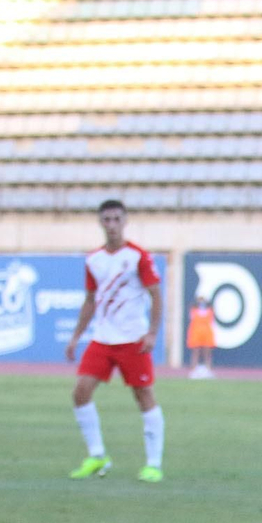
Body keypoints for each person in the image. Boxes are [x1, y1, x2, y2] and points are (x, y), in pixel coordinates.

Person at [65, 199, 166, 483]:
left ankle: (153, 464)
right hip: (103, 338)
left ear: (125, 221)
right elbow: (90, 300)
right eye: (107, 220)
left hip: (133, 339)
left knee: (143, 395)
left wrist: (152, 333)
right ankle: (97, 455)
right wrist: (76, 336)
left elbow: (155, 295)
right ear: (100, 222)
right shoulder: (94, 260)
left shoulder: (138, 256)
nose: (112, 225)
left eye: (116, 219)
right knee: (80, 392)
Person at [186, 295, 216, 379]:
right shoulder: (193, 310)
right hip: (196, 333)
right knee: (195, 352)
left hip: (207, 333)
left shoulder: (210, 311)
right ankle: (193, 370)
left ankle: (208, 369)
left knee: (207, 353)